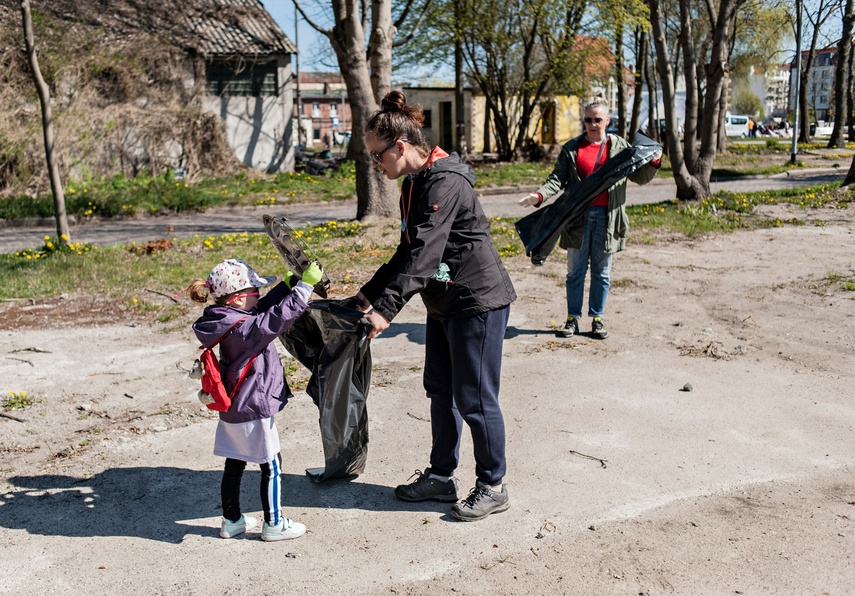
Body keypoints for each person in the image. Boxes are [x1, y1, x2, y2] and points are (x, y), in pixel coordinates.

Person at [357, 90, 517, 522]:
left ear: (401, 147)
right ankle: (442, 477)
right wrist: (369, 292)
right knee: (440, 392)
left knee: (476, 398)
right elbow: (407, 250)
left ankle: (493, 485)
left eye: (377, 156)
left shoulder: (444, 182)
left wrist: (386, 311)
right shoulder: (415, 183)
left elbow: (425, 255)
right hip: (445, 304)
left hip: (476, 302)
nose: (375, 165)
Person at [189, 257, 323, 540]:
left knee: (235, 462)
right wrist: (304, 288)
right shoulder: (245, 328)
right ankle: (274, 523)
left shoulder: (225, 319)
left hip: (234, 407)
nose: (258, 296)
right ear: (237, 299)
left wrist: (286, 286)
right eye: (254, 292)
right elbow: (275, 319)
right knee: (271, 465)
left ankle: (232, 519)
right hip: (254, 405)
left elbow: (261, 310)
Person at [519, 94, 661, 340]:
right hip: (576, 219)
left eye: (597, 120)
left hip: (608, 218)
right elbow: (556, 179)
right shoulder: (572, 149)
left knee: (602, 272)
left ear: (607, 120)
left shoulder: (619, 148)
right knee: (575, 272)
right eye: (587, 120)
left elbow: (639, 177)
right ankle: (572, 318)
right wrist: (538, 196)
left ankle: (597, 318)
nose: (592, 125)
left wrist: (654, 161)